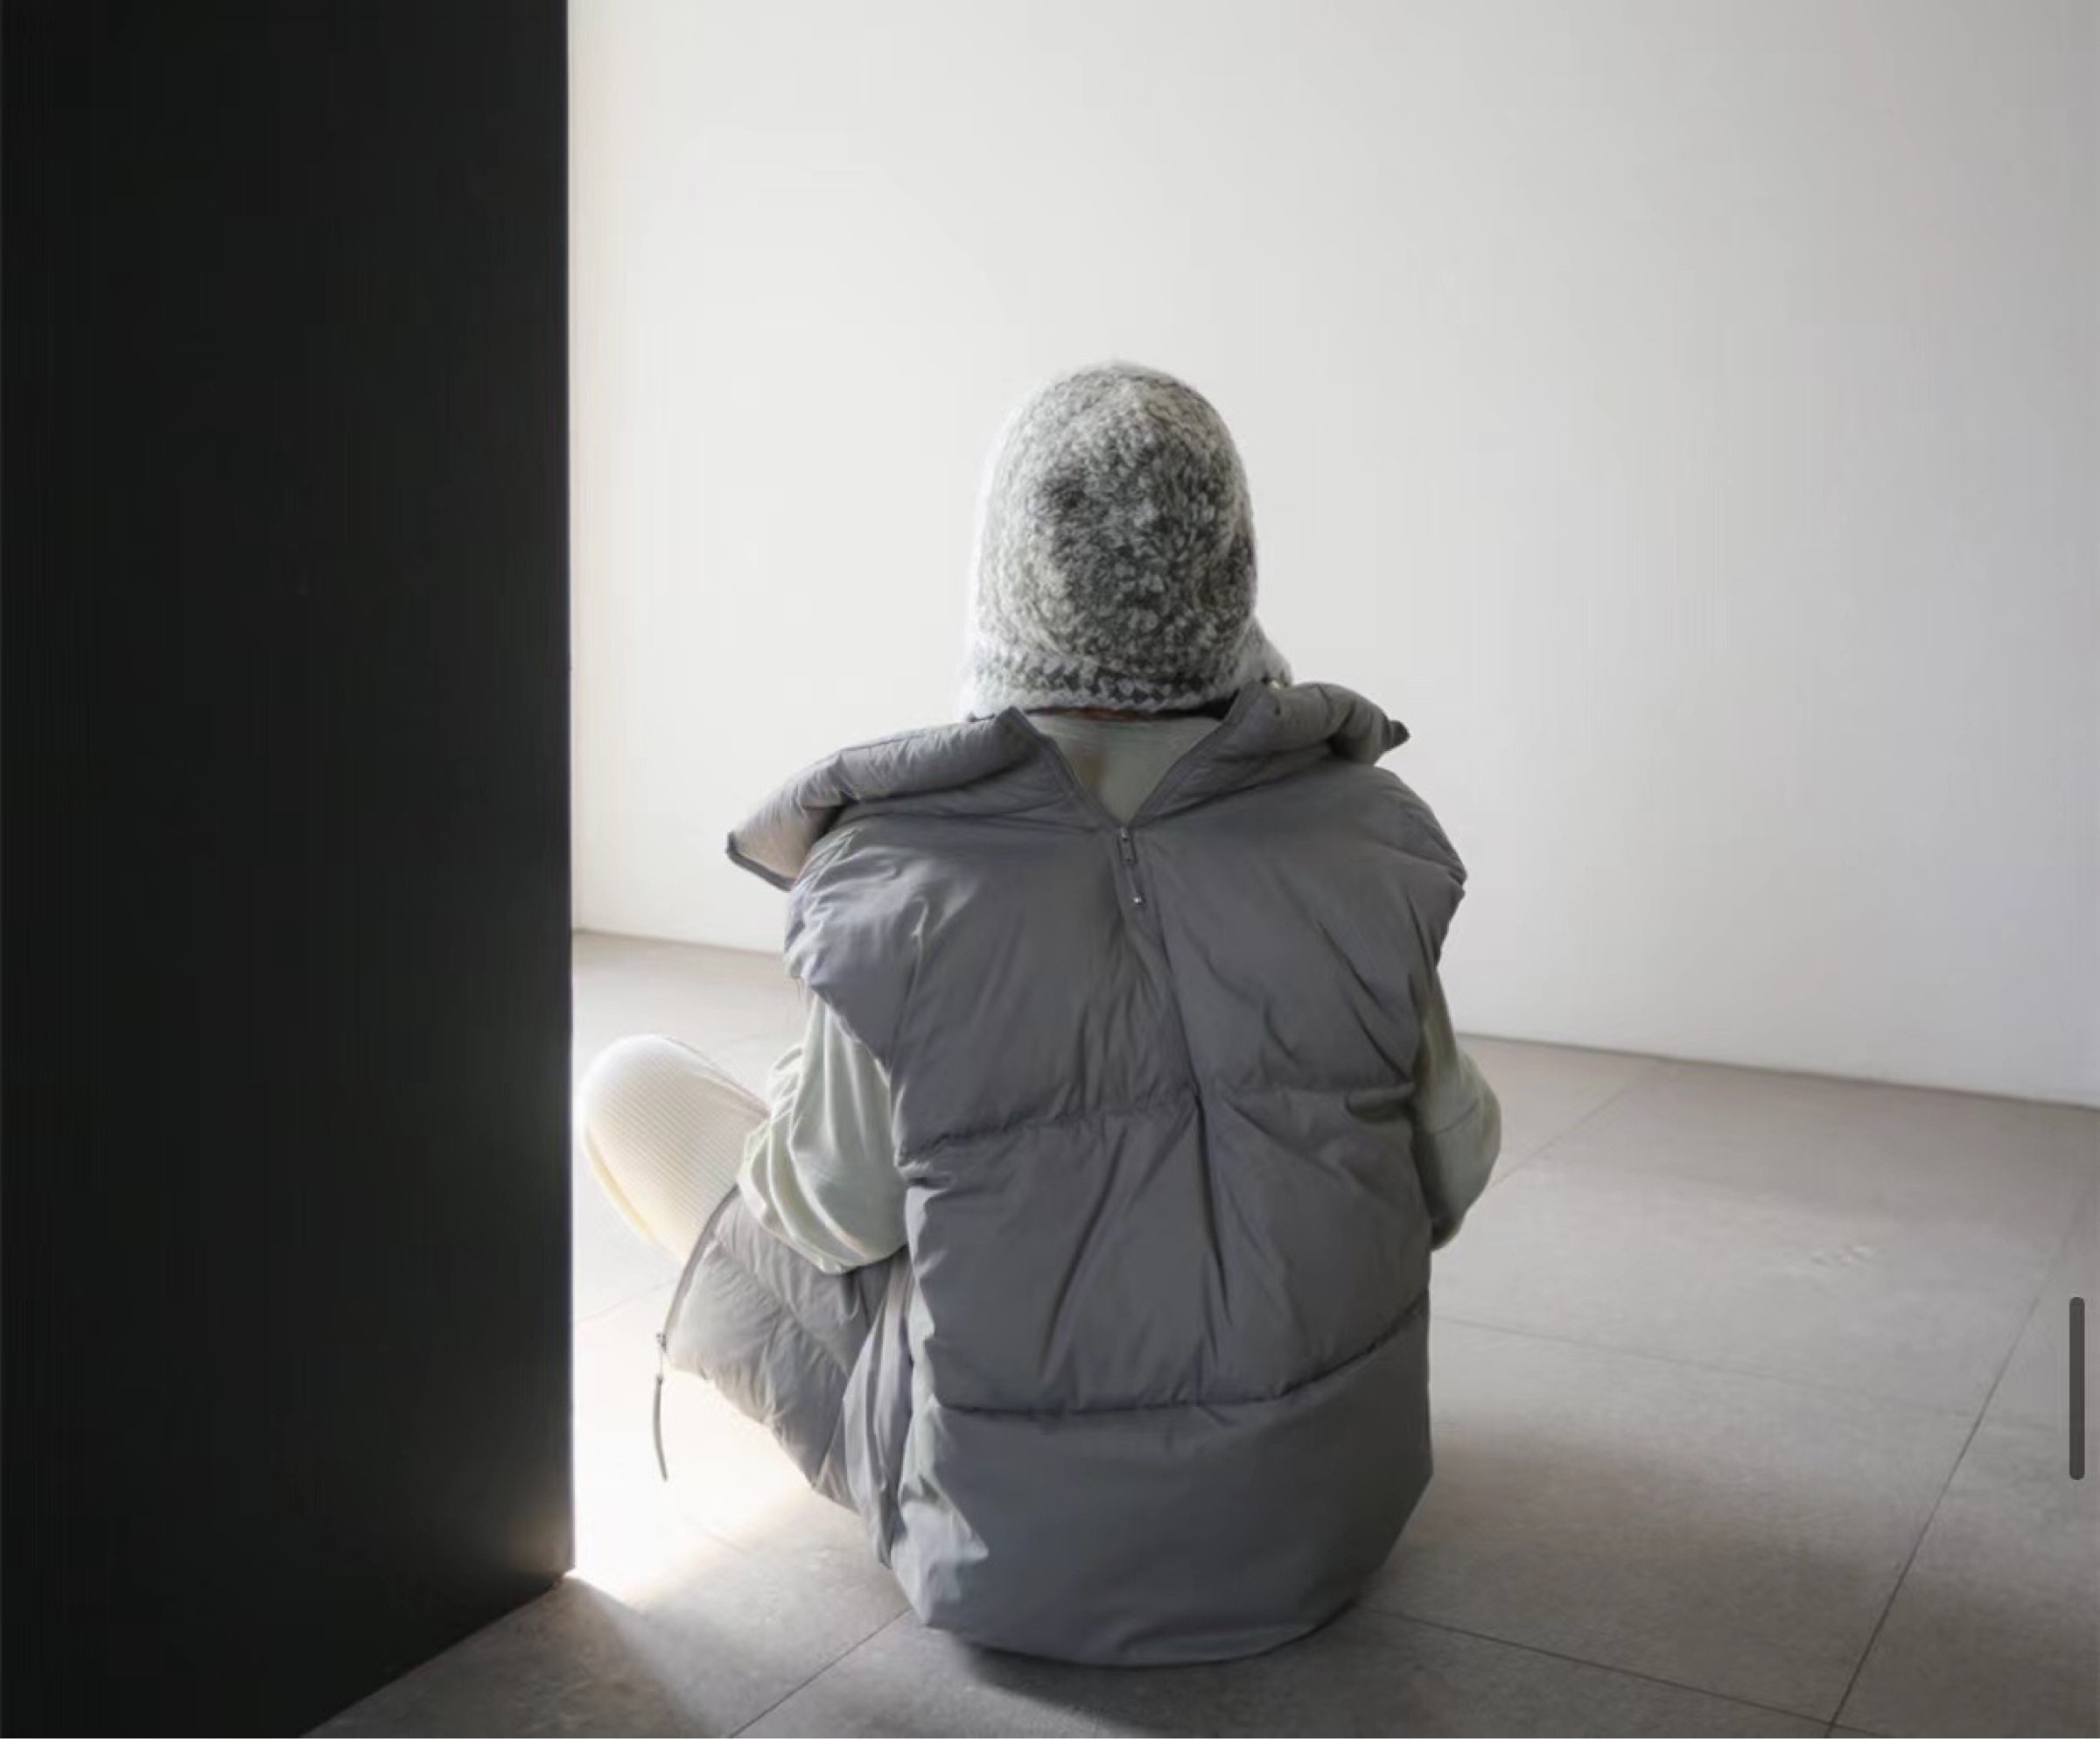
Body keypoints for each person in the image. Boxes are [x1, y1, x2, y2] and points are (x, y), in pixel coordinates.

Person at [577, 361, 1501, 1665]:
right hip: (1330, 1527)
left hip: (1012, 1561)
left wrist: (838, 1087)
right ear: (1231, 566)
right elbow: (1451, 1171)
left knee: (635, 1084)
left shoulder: (899, 868)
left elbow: (834, 1216)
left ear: (1004, 573)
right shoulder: (1367, 834)